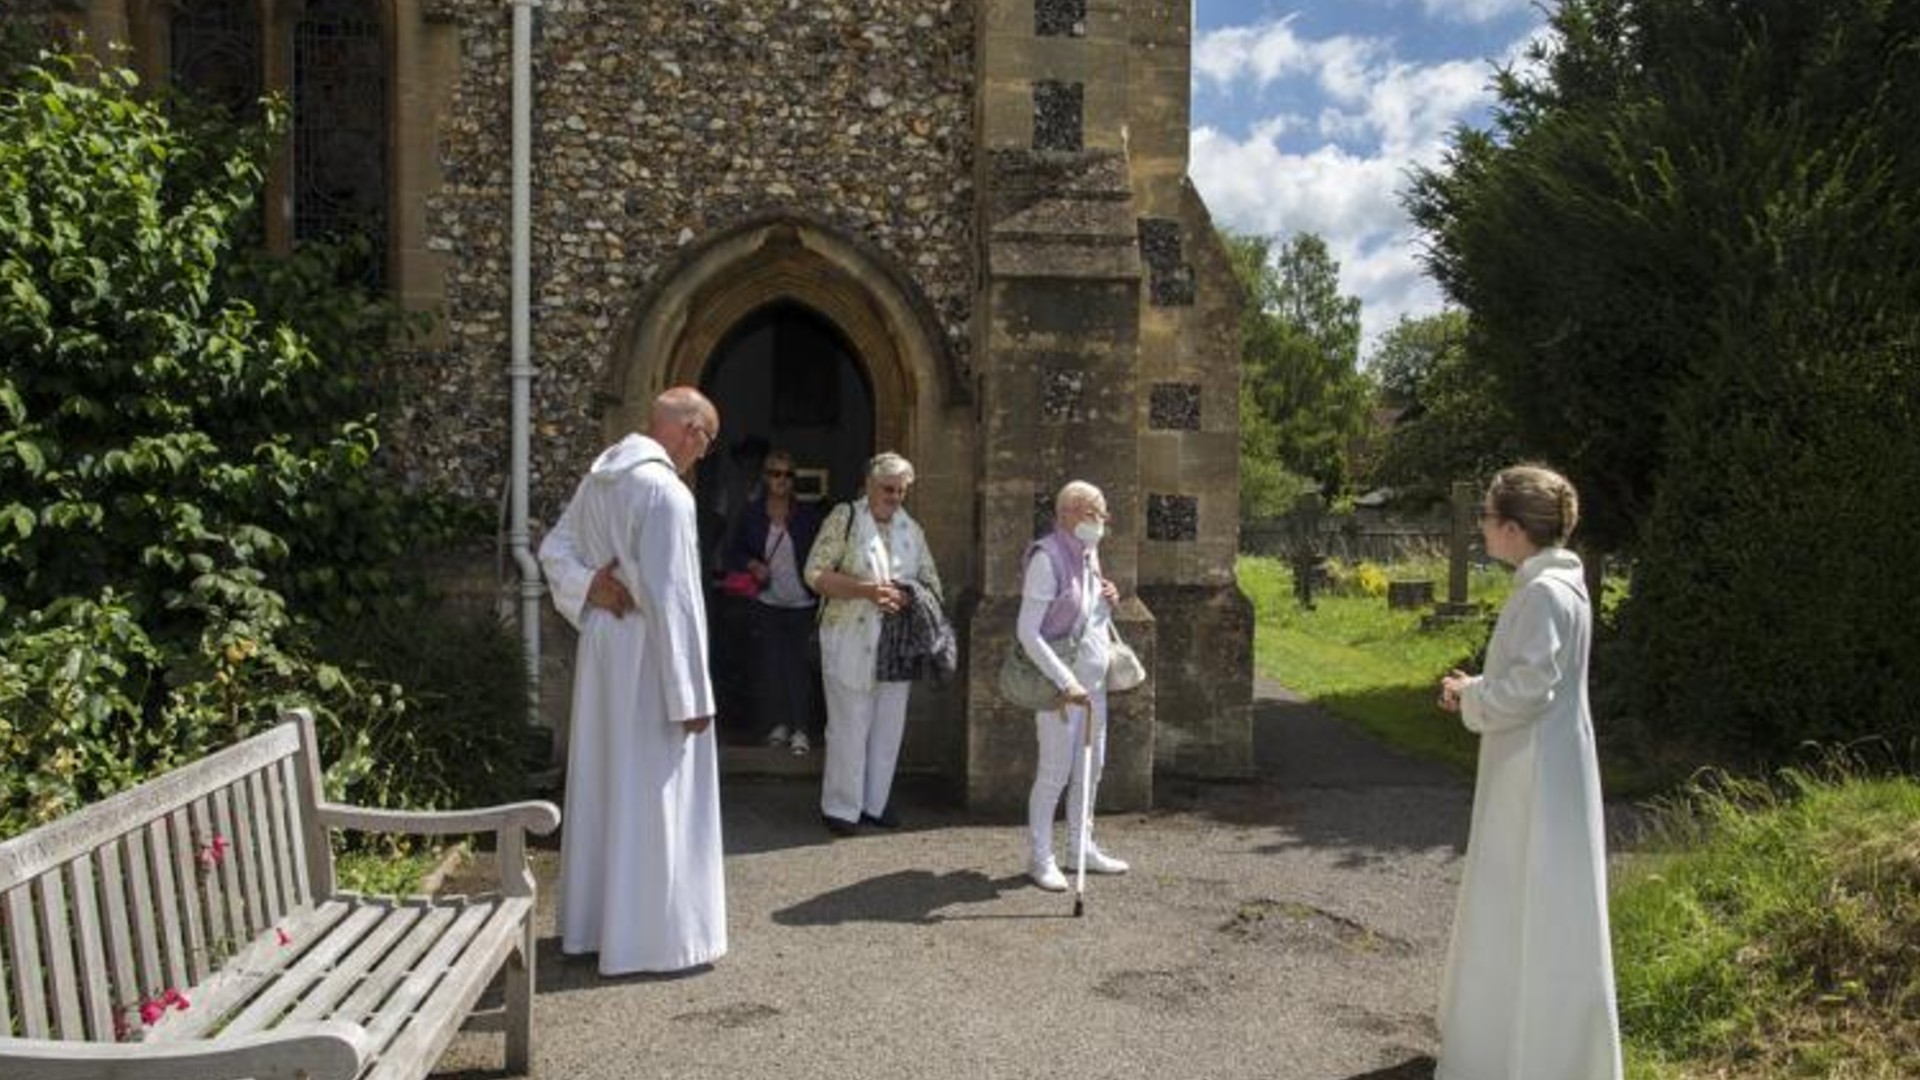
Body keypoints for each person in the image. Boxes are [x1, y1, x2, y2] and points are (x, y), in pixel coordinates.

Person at [1434, 465, 1622, 1080]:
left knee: (1523, 904)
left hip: (1533, 775)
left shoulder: (1542, 593)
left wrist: (1471, 696)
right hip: (1547, 759)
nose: (1482, 530)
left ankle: (1516, 1060)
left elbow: (1533, 687)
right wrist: (1479, 688)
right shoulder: (1560, 585)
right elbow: (1539, 679)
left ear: (1513, 529)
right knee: (1538, 909)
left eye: (1488, 519)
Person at [537, 386, 727, 976]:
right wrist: (692, 696)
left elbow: (553, 550)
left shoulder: (602, 477)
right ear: (691, 430)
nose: (702, 453)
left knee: (605, 782)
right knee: (653, 788)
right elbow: (675, 601)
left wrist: (590, 584)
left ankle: (595, 930)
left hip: (604, 645)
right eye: (706, 440)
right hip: (650, 659)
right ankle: (654, 940)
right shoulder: (666, 492)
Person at [803, 451, 944, 837]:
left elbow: (933, 583)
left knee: (888, 725)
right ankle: (840, 807)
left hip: (895, 642)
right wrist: (865, 590)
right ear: (868, 484)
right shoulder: (845, 518)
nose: (895, 497)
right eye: (888, 488)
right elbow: (814, 573)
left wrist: (909, 594)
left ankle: (874, 803)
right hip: (848, 634)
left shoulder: (911, 530)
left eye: (901, 491)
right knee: (849, 724)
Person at [1018, 481, 1128, 891]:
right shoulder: (1046, 558)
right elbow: (1028, 632)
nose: (1100, 523)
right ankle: (1040, 857)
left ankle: (1080, 847)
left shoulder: (1089, 552)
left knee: (1091, 770)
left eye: (1103, 515)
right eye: (1092, 514)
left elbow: (1085, 612)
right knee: (1054, 774)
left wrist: (1107, 597)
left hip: (1094, 686)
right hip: (1060, 690)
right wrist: (1066, 683)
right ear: (1066, 514)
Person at [721, 448, 823, 755]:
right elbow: (733, 551)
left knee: (799, 668)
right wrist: (753, 565)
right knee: (771, 666)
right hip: (766, 602)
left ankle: (802, 729)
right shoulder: (751, 514)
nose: (782, 480)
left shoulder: (806, 516)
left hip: (802, 603)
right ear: (765, 477)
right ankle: (779, 725)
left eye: (788, 474)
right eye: (775, 473)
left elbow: (822, 556)